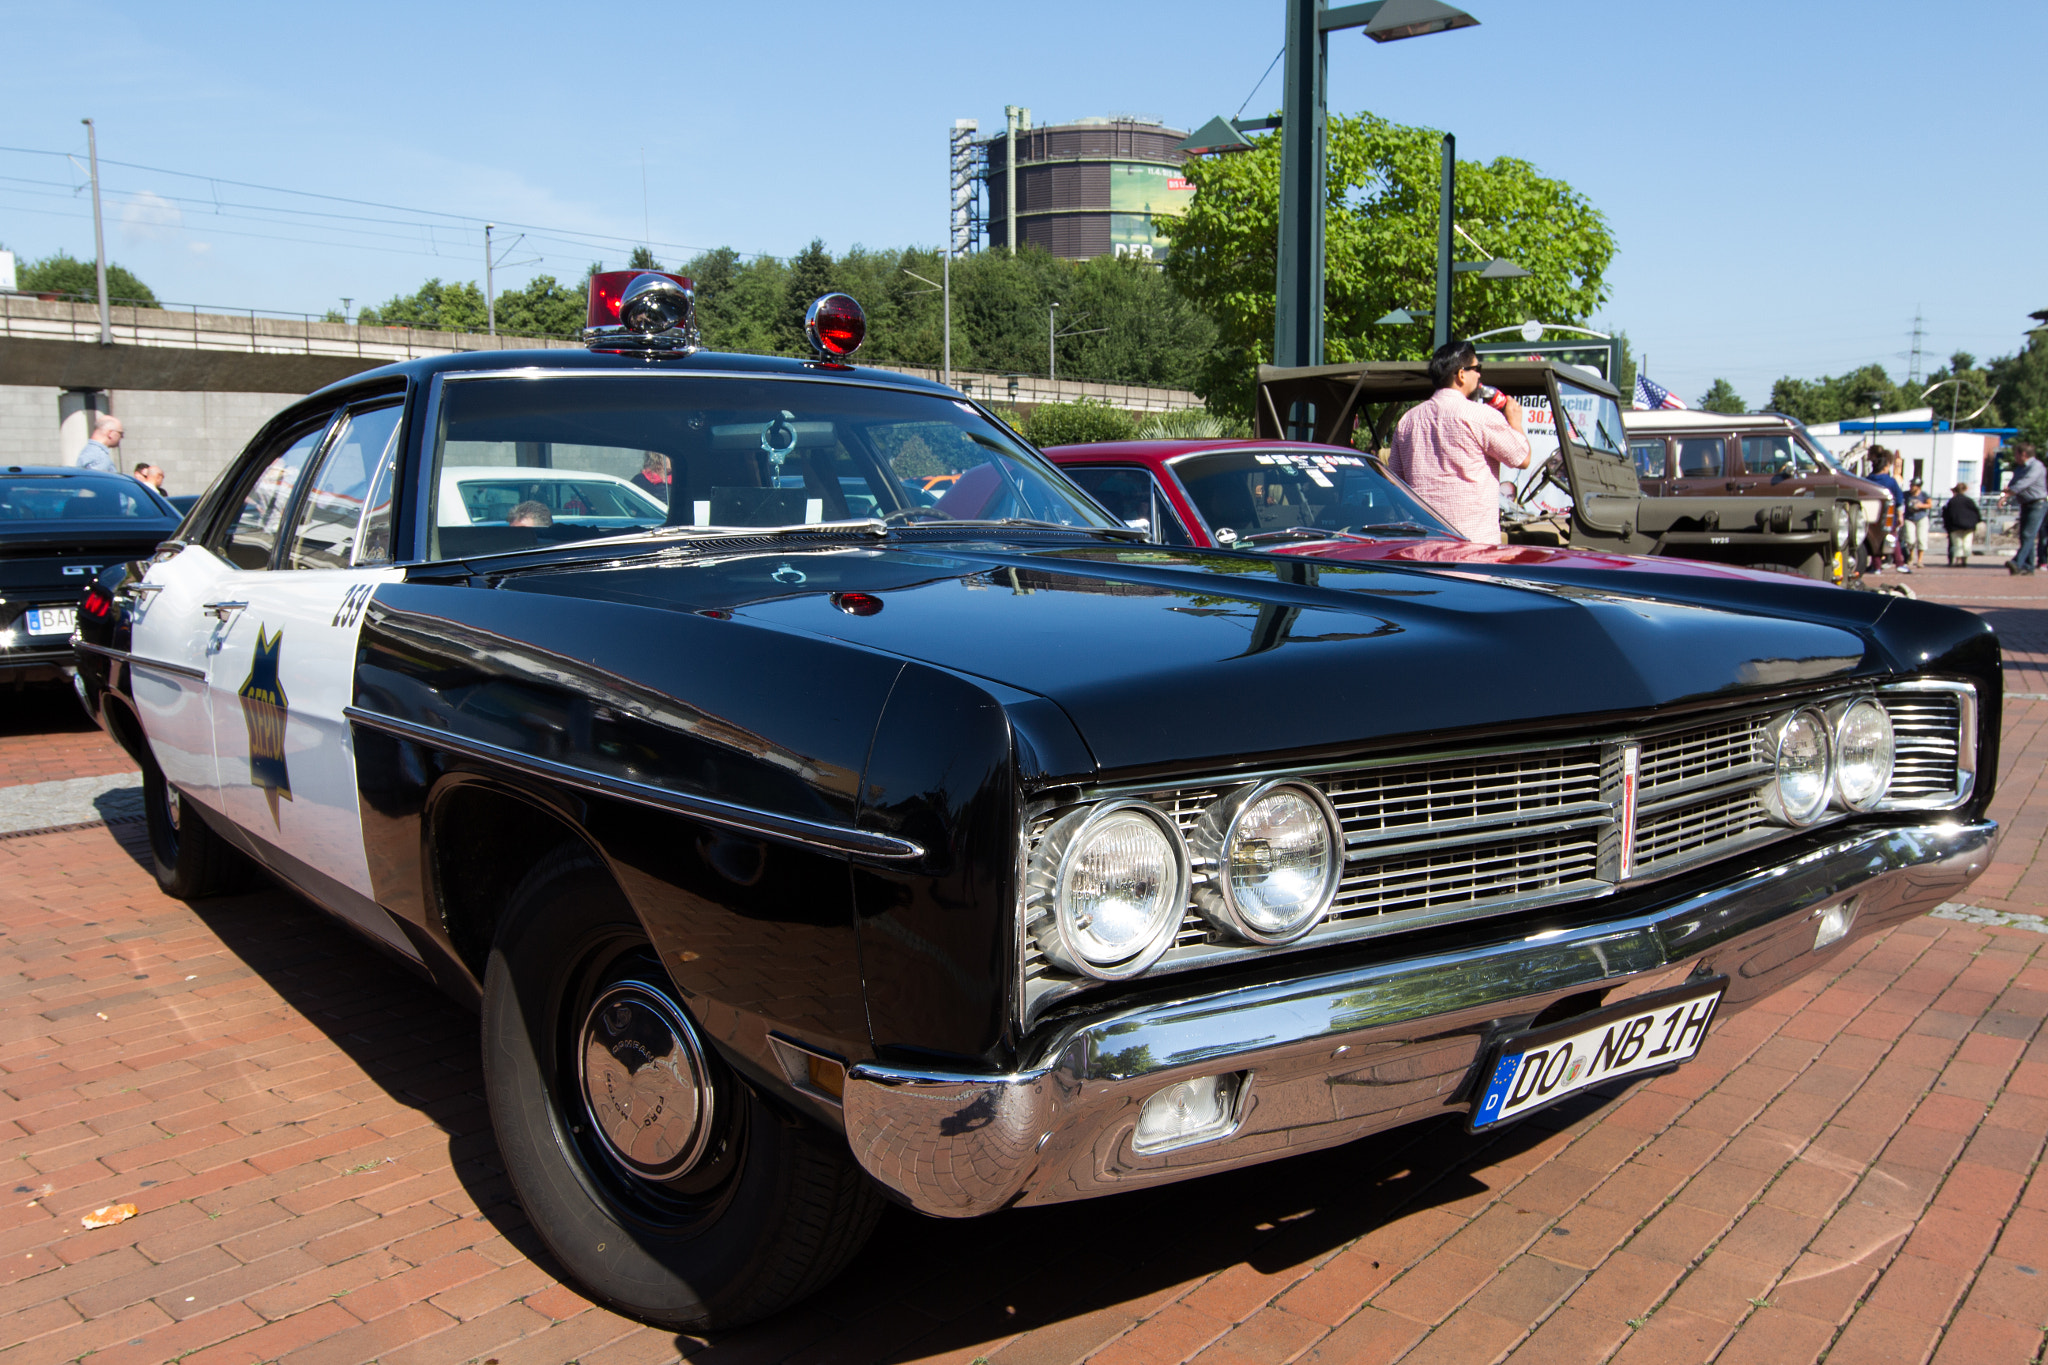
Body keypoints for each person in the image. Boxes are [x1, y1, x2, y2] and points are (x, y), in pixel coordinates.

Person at [1387, 340, 1531, 544]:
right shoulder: (1480, 416)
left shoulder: (1407, 421)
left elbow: (1395, 482)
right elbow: (1522, 458)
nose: (1480, 375)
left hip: (1423, 543)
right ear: (1461, 374)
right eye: (1476, 368)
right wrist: (1515, 421)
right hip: (1474, 545)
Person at [2001, 445, 2046, 575]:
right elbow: (2014, 483)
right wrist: (2005, 496)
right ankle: (2028, 566)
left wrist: (2010, 492)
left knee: (2028, 534)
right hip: (2025, 504)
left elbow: (2026, 482)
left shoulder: (2036, 466)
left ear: (2024, 454)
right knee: (2025, 537)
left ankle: (2016, 562)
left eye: (2016, 454)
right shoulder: (2020, 468)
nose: (2015, 457)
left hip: (2037, 504)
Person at [1866, 449, 1906, 574]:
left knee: (1874, 540)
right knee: (1893, 539)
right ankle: (1899, 563)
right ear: (1886, 466)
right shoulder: (1890, 481)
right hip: (1889, 516)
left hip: (1871, 515)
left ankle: (1876, 566)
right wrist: (1900, 515)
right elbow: (1899, 499)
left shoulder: (1867, 480)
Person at [1941, 482, 1982, 567]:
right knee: (1967, 542)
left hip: (1955, 526)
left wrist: (1947, 526)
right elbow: (1976, 513)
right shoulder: (1969, 501)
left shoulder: (1952, 501)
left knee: (1957, 543)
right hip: (1969, 526)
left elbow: (1948, 514)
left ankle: (1958, 560)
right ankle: (1964, 560)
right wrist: (1975, 522)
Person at [1901, 477, 1931, 568]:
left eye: (1913, 485)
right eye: (1911, 485)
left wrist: (1921, 505)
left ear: (1918, 487)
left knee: (1922, 538)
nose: (1911, 487)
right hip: (1909, 518)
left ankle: (1920, 560)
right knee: (1910, 539)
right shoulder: (1906, 494)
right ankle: (1911, 556)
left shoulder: (1924, 494)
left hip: (1921, 518)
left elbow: (1930, 504)